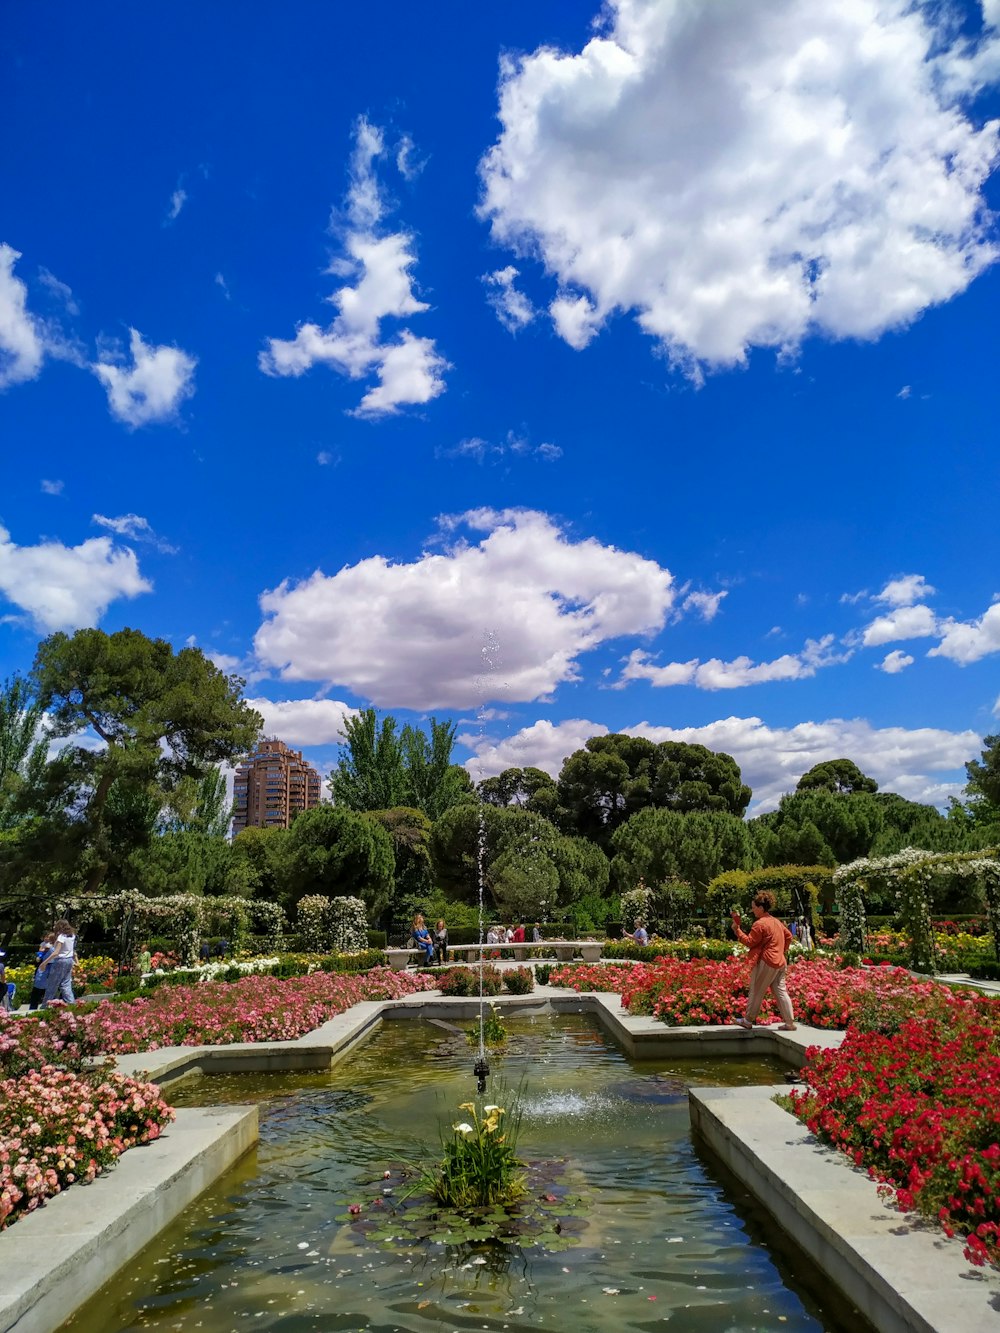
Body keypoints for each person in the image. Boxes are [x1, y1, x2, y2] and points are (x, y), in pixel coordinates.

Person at [731, 892, 796, 1031]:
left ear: (761, 907)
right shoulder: (776, 921)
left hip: (767, 961)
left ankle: (747, 1021)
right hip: (780, 961)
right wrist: (782, 950)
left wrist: (737, 931)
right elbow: (789, 936)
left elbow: (750, 942)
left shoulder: (759, 924)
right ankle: (789, 1023)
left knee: (756, 990)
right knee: (780, 991)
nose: (752, 910)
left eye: (754, 907)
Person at [38, 918, 77, 1007]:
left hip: (60, 961)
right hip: (69, 960)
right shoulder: (72, 935)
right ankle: (72, 1005)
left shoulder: (61, 937)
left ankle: (45, 1006)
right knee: (66, 984)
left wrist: (44, 963)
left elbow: (56, 952)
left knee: (52, 984)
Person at [29, 932, 57, 1009]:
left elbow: (42, 953)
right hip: (50, 968)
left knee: (38, 989)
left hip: (45, 968)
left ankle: (34, 1007)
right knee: (48, 989)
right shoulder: (56, 947)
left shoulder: (49, 946)